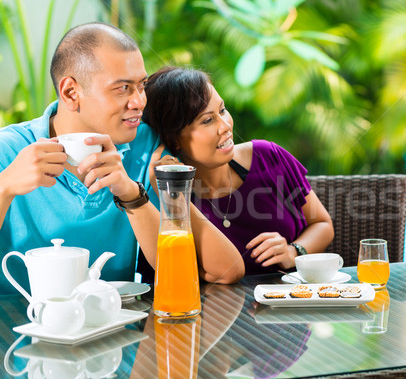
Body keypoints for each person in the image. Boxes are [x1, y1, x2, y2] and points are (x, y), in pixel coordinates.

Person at [0, 22, 244, 296]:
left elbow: (226, 269)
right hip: (19, 327)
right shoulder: (8, 150)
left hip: (118, 328)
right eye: (122, 88)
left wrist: (133, 195)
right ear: (71, 93)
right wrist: (5, 186)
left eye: (141, 86)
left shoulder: (145, 144)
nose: (139, 101)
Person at [141, 66, 334, 275]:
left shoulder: (268, 156)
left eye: (222, 110)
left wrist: (293, 252)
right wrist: (174, 192)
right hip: (220, 307)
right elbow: (182, 274)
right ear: (173, 139)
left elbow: (322, 224)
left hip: (291, 301)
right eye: (207, 120)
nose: (225, 126)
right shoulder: (161, 199)